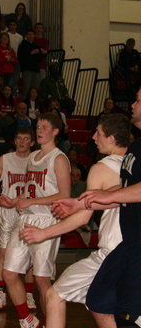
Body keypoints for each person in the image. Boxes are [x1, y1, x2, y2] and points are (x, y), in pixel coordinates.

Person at [19, 114, 130, 328]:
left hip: (113, 252)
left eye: (98, 132)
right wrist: (78, 202)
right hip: (130, 250)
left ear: (112, 137)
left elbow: (83, 216)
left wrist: (44, 233)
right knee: (99, 306)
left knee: (54, 295)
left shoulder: (101, 167)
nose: (94, 137)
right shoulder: (134, 163)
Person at [67, 90, 141, 328]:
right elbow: (126, 191)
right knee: (99, 301)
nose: (132, 103)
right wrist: (80, 202)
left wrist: (105, 195)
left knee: (126, 313)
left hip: (136, 246)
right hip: (129, 243)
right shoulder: (136, 147)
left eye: (138, 99)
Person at [2, 112, 71, 328]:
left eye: (44, 127)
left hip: (47, 221)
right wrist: (14, 201)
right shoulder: (33, 157)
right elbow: (29, 191)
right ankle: (29, 320)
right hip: (25, 219)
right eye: (38, 126)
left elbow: (65, 194)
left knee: (41, 280)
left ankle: (52, 322)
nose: (39, 130)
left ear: (55, 131)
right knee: (9, 273)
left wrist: (32, 202)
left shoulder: (59, 158)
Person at [0, 127, 37, 312]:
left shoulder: (36, 161)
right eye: (19, 138)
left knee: (29, 255)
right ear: (14, 141)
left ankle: (29, 294)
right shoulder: (5, 159)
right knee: (3, 253)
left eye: (26, 139)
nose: (22, 142)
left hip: (27, 211)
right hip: (7, 212)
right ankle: (0, 293)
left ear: (32, 142)